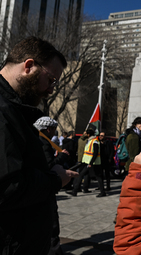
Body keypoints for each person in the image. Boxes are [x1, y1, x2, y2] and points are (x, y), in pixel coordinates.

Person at [0, 36, 78, 254]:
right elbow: (7, 187)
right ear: (29, 66)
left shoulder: (15, 109)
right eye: (51, 79)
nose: (52, 88)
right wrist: (55, 180)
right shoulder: (4, 110)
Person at [33, 116, 71, 255]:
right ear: (48, 129)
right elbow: (48, 165)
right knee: (51, 225)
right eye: (54, 129)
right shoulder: (43, 142)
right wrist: (62, 157)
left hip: (36, 188)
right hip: (45, 188)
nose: (55, 132)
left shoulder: (34, 138)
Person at [68, 128, 106, 197]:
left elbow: (95, 153)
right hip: (87, 162)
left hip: (93, 163)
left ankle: (102, 192)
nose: (85, 135)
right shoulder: (90, 140)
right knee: (82, 175)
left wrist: (91, 163)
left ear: (89, 134)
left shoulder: (94, 141)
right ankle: (75, 191)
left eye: (86, 133)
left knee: (98, 177)